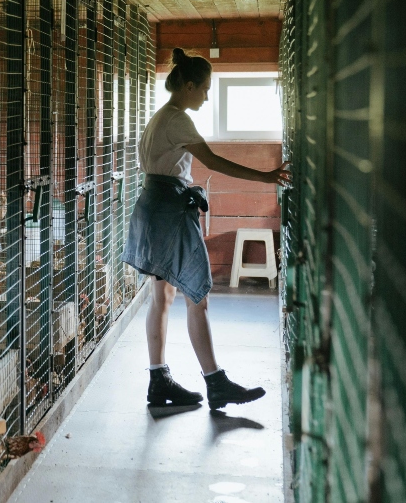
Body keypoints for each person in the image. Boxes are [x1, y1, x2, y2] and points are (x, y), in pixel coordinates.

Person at [121, 48, 291, 410]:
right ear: (187, 85)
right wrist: (267, 176)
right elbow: (212, 161)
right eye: (204, 89)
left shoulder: (159, 117)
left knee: (162, 298)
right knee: (198, 294)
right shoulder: (177, 118)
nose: (207, 96)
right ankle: (216, 383)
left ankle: (158, 380)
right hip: (168, 210)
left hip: (152, 205)